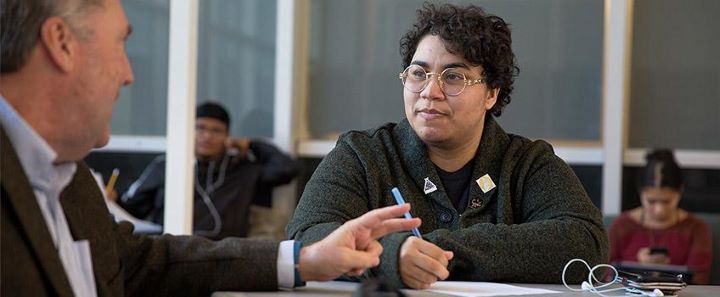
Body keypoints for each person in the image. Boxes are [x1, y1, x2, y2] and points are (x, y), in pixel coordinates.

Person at [0, 0, 421, 295]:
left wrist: (305, 260)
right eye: (120, 43)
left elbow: (137, 263)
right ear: (62, 42)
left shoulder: (67, 176)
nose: (128, 74)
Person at [287, 3, 608, 289]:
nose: (430, 91)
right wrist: (390, 255)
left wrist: (440, 250)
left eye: (453, 77)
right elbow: (304, 240)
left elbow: (585, 242)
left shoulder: (527, 163)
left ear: (491, 93)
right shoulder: (362, 155)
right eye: (418, 73)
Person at [118, 102, 298, 239]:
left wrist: (252, 144)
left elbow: (287, 168)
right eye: (200, 128)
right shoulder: (167, 166)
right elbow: (133, 210)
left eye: (216, 131)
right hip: (173, 250)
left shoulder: (240, 169)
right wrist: (114, 200)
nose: (207, 136)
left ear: (228, 137)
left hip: (225, 254)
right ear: (189, 130)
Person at [608, 149, 712, 284]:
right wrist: (638, 263)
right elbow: (606, 275)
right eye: (651, 201)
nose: (659, 210)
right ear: (640, 192)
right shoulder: (621, 226)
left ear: (680, 191)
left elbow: (699, 281)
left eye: (667, 201)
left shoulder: (697, 229)